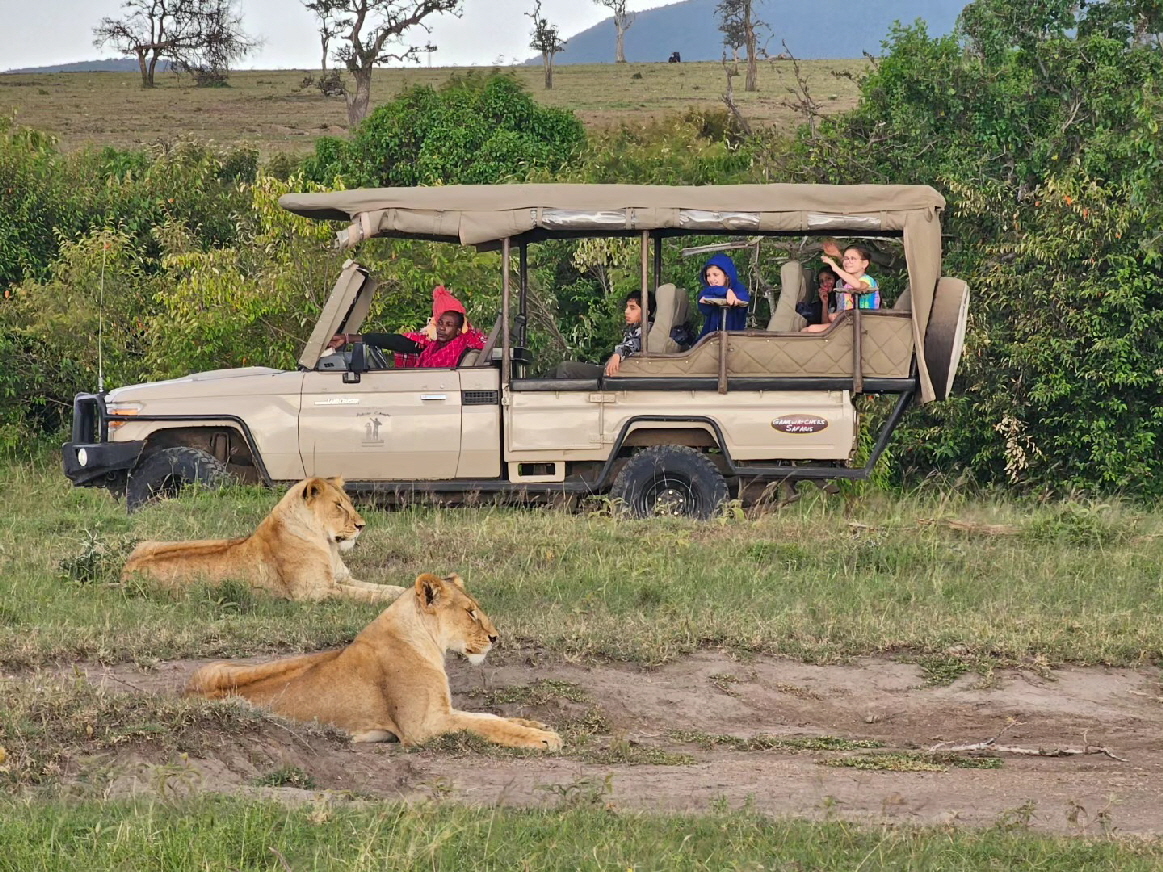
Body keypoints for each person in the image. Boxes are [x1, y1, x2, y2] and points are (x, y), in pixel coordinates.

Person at [329, 285, 485, 368]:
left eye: (449, 325)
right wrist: (348, 338)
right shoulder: (432, 344)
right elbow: (396, 341)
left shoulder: (465, 347)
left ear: (459, 330)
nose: (442, 328)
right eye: (440, 323)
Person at [554, 290, 655, 378]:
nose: (626, 311)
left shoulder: (646, 328)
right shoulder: (633, 328)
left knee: (565, 368)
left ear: (646, 312)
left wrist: (618, 354)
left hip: (617, 371)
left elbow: (635, 343)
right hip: (611, 368)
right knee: (554, 372)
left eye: (632, 308)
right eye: (627, 307)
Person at [802, 245, 879, 333]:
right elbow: (849, 310)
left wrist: (835, 267)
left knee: (810, 330)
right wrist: (838, 314)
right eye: (846, 259)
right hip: (850, 323)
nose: (848, 262)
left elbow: (858, 285)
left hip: (865, 325)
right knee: (807, 329)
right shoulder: (847, 286)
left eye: (853, 258)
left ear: (864, 264)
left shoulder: (867, 280)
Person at [696, 253, 750, 340]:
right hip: (709, 338)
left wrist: (731, 295)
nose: (711, 279)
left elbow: (743, 300)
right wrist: (725, 291)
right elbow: (702, 301)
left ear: (726, 276)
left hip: (734, 339)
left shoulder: (739, 289)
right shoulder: (710, 290)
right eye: (708, 275)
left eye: (715, 275)